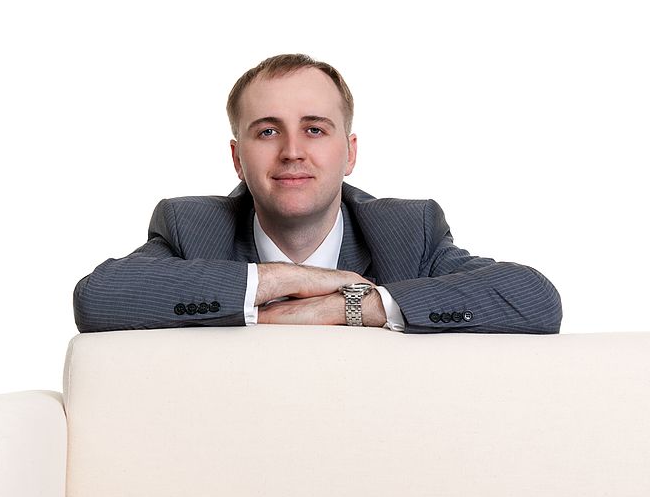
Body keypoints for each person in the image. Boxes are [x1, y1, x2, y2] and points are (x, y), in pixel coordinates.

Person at [73, 54, 562, 334]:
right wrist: (276, 281)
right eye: (267, 132)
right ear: (237, 159)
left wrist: (350, 306)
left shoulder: (407, 231)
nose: (291, 152)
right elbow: (98, 301)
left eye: (314, 129)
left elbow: (535, 299)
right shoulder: (190, 227)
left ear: (349, 154)